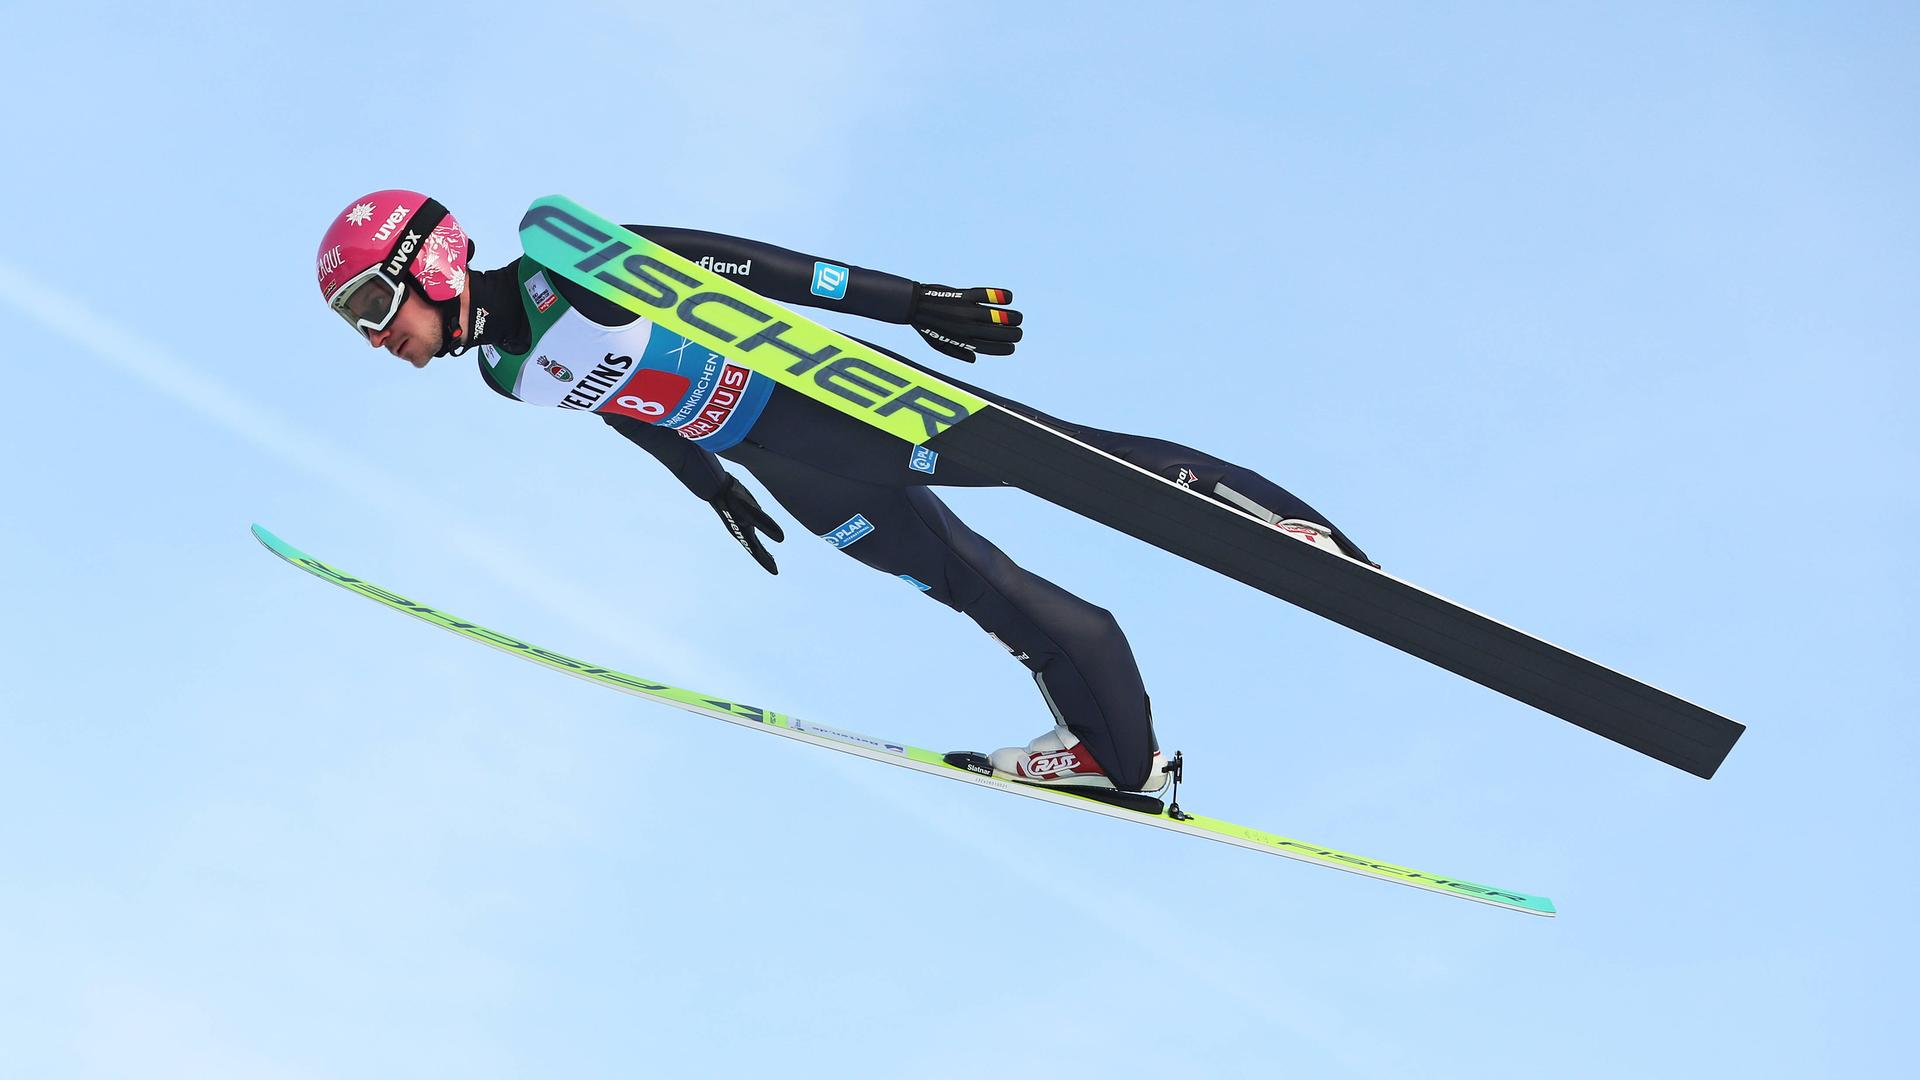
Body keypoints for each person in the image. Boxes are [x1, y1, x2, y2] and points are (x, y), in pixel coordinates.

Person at [315, 189, 1372, 797]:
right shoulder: (506, 372)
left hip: (835, 405)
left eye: (373, 300)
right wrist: (709, 489)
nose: (376, 335)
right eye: (353, 321)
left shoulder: (566, 259)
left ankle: (1282, 525)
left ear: (434, 260)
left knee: (1071, 458)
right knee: (980, 588)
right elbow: (625, 405)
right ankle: (1120, 758)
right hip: (789, 469)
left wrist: (913, 303)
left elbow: (745, 266)